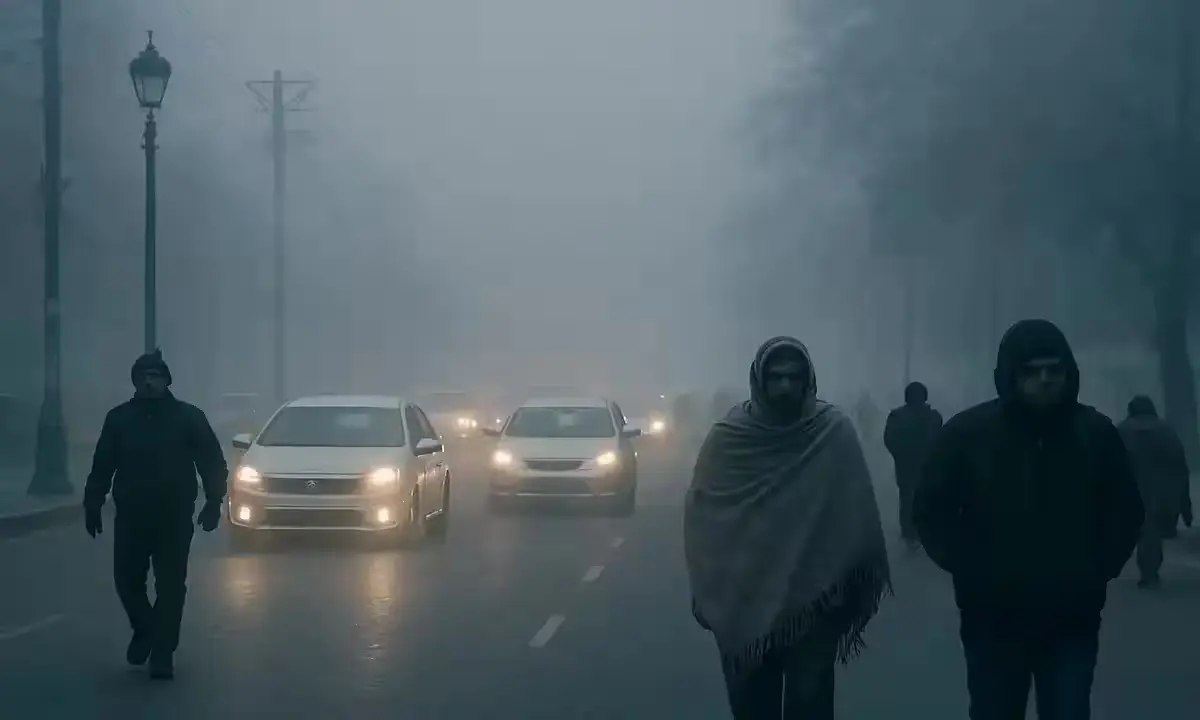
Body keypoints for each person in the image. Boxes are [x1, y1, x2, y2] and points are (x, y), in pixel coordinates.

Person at [914, 319, 1143, 720]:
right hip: (992, 618)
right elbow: (932, 509)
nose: (1045, 380)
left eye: (1054, 370)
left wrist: (1098, 569)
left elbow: (1124, 509)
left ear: (1069, 373)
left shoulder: (1096, 434)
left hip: (1072, 616)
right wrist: (970, 566)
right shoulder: (967, 435)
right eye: (1033, 371)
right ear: (1011, 375)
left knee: (1068, 711)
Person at [685, 336, 891, 720]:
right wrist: (705, 591)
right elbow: (704, 521)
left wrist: (847, 585)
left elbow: (855, 511)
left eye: (793, 377)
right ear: (759, 380)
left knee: (810, 706)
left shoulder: (833, 432)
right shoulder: (729, 439)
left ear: (808, 380)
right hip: (742, 600)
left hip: (814, 604)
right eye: (776, 377)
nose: (784, 386)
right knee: (751, 707)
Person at [83, 350, 228, 680]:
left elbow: (211, 460)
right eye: (144, 376)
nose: (150, 382)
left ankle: (162, 653)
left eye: (156, 376)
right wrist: (93, 500)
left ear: (166, 381)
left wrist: (214, 501)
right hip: (132, 514)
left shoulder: (189, 418)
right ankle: (147, 629)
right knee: (127, 581)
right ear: (135, 381)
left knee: (171, 585)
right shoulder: (119, 419)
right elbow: (103, 462)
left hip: (174, 515)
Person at [1117, 395, 1190, 588]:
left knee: (1142, 532)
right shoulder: (1166, 430)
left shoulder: (1122, 430)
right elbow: (1180, 466)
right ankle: (1150, 571)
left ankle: (1147, 571)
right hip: (1164, 492)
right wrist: (1185, 507)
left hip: (1131, 491)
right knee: (1153, 532)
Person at [883, 381, 943, 549]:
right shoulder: (934, 416)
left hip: (906, 466)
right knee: (923, 497)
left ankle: (909, 532)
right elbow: (941, 440)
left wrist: (900, 456)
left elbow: (889, 439)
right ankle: (920, 530)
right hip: (927, 466)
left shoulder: (897, 416)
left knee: (907, 498)